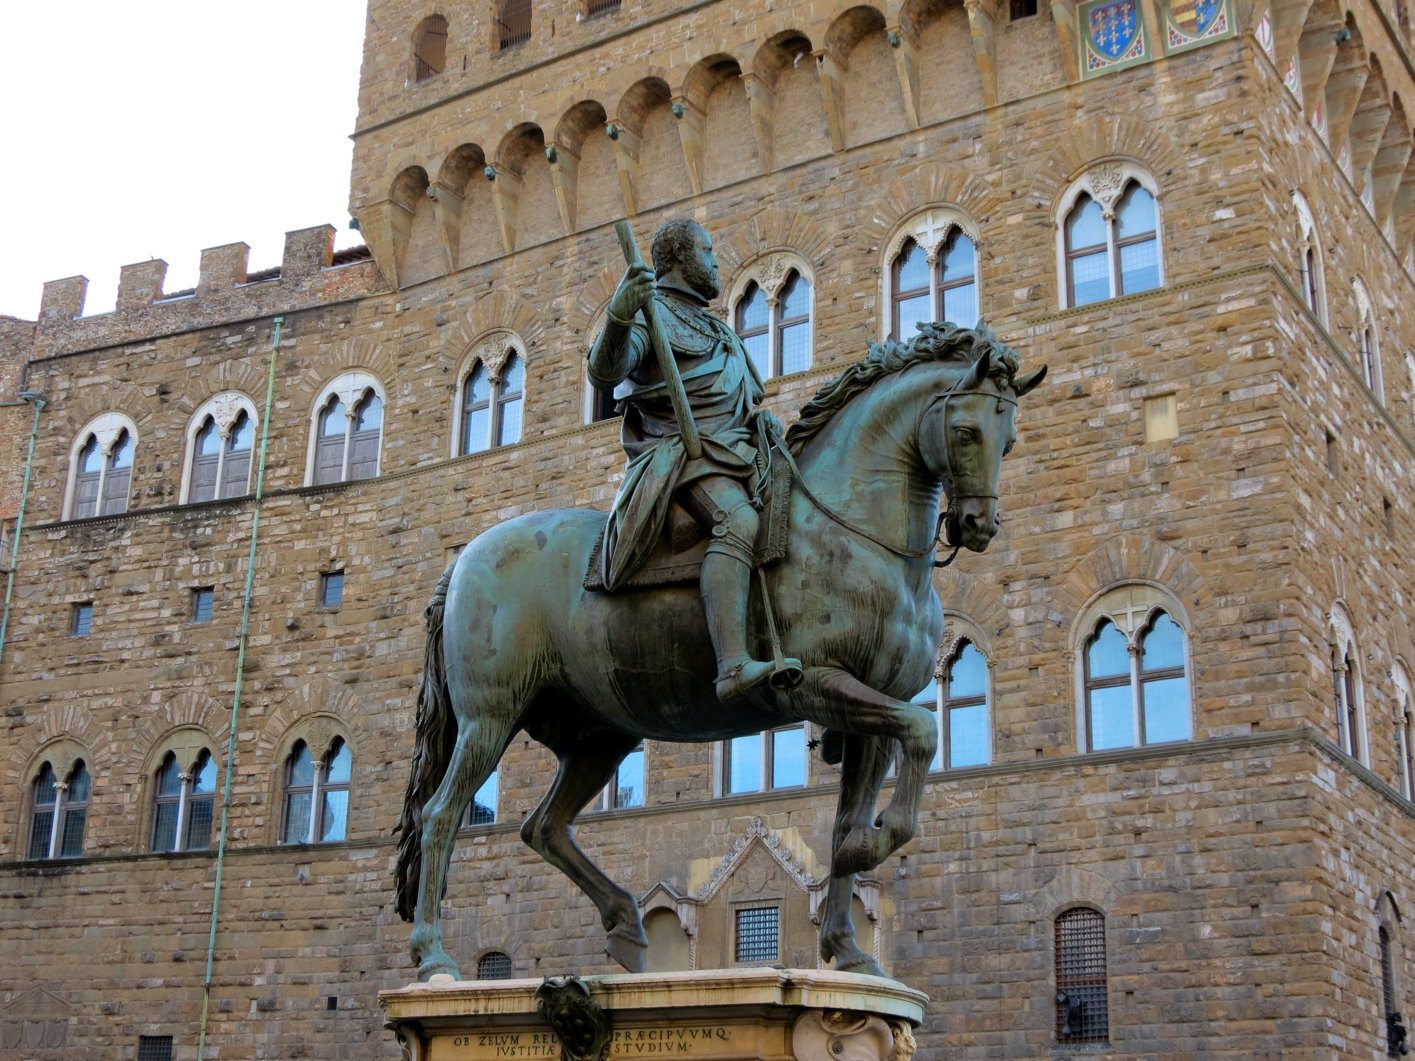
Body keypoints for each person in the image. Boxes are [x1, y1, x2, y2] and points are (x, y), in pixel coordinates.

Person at [589, 219, 800, 702]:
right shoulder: (652, 313)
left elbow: (737, 401)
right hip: (685, 457)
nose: (718, 261)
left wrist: (758, 423)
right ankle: (732, 665)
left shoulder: (715, 327)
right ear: (683, 259)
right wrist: (621, 316)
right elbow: (606, 372)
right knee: (739, 521)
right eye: (709, 251)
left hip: (736, 452)